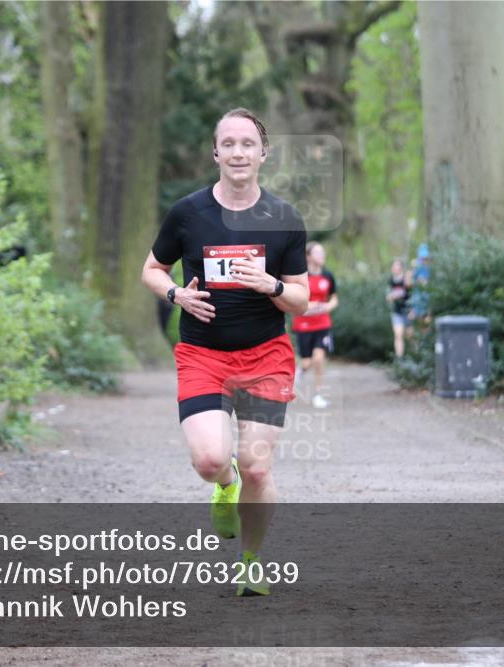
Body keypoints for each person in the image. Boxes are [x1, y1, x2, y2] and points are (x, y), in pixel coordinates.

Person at [141, 108, 309, 596]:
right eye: (229, 144)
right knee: (210, 460)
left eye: (248, 144)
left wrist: (271, 284)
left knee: (258, 466)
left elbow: (300, 299)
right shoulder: (188, 213)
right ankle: (224, 483)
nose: (238, 152)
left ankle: (250, 564)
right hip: (202, 355)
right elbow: (152, 269)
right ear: (215, 152)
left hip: (266, 357)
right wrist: (176, 294)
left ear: (263, 153)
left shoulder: (283, 219)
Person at [291, 242, 338, 409]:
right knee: (306, 362)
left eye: (323, 252)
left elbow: (334, 298)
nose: (322, 256)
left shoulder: (328, 276)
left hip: (323, 324)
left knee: (318, 359)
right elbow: (294, 299)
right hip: (303, 325)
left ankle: (318, 395)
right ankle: (300, 371)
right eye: (318, 253)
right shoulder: (301, 277)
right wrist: (309, 306)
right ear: (308, 257)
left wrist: (328, 306)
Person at [387, 258, 412, 359]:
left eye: (397, 266)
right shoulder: (391, 280)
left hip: (408, 311)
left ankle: (415, 357)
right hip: (397, 312)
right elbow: (389, 296)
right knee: (398, 335)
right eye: (393, 266)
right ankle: (399, 359)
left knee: (410, 336)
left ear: (401, 268)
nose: (395, 268)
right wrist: (391, 296)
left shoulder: (406, 278)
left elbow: (410, 290)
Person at [408, 243, 431, 331]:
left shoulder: (429, 266)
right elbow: (409, 281)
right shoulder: (415, 265)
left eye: (425, 257)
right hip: (417, 296)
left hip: (428, 295)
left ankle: (427, 334)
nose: (423, 259)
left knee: (428, 318)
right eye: (422, 257)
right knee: (419, 319)